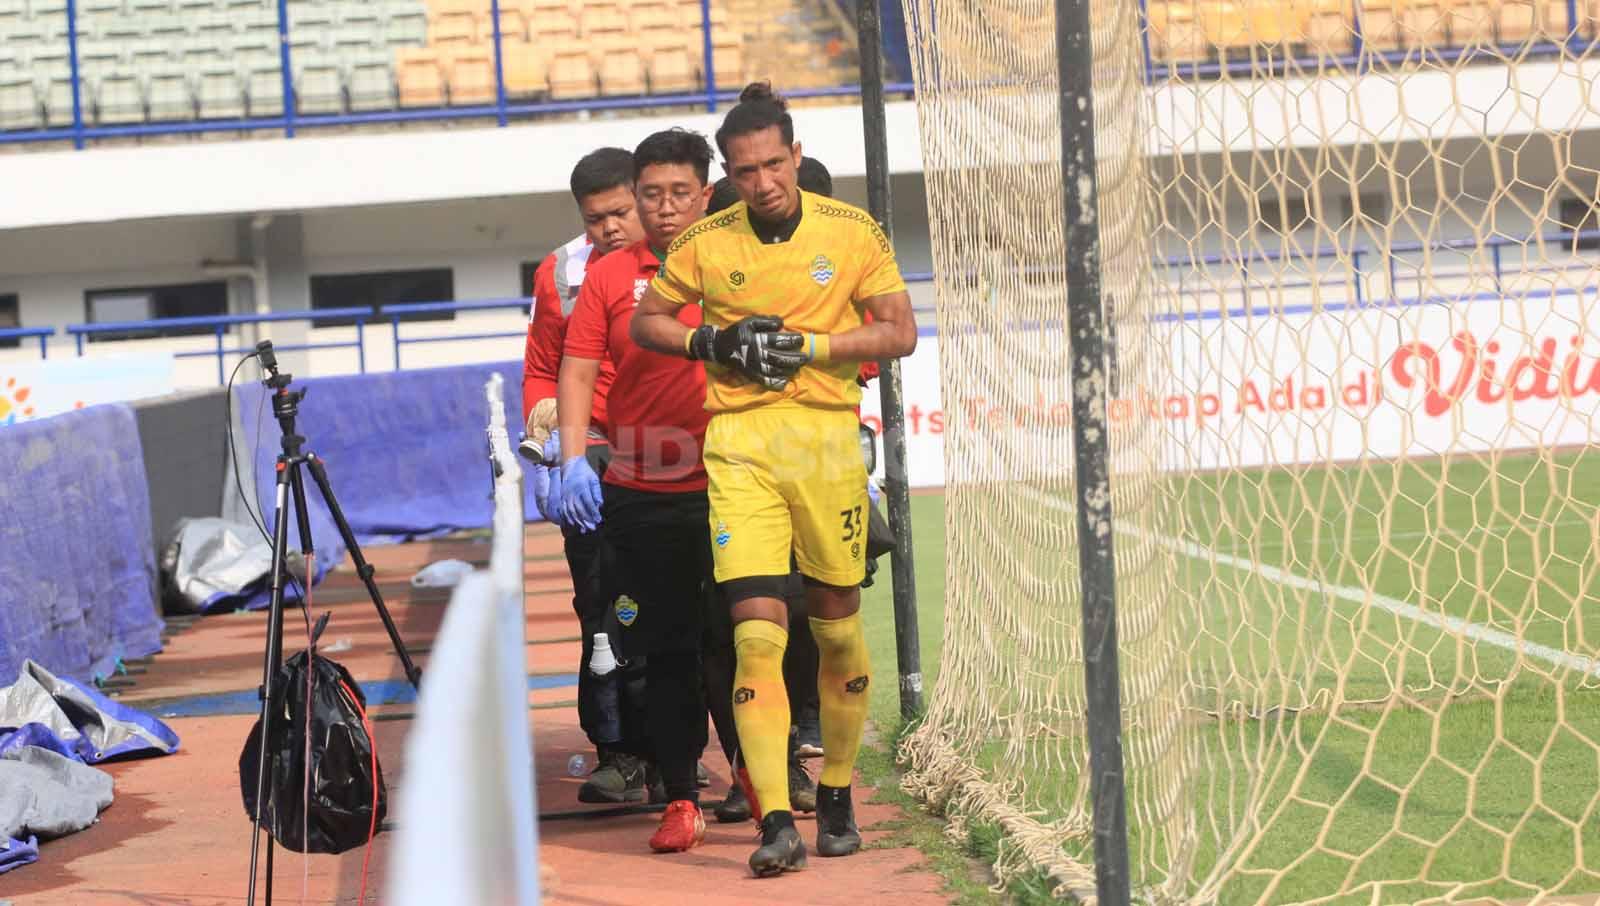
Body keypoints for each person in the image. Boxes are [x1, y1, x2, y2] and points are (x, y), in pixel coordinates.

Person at [631, 82, 919, 877]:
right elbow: (646, 322)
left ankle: (835, 792)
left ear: (795, 156)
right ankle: (776, 819)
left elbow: (901, 331)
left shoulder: (853, 230)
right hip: (741, 450)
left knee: (834, 627)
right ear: (727, 173)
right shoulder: (704, 241)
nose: (763, 182)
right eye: (745, 170)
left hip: (827, 445)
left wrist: (811, 347)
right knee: (756, 633)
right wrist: (714, 342)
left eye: (773, 164)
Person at [554, 127, 728, 853]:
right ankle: (681, 796)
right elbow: (577, 367)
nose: (662, 207)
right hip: (642, 488)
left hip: (732, 480)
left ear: (705, 194)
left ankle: (765, 779)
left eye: (677, 193)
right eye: (649, 194)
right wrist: (570, 459)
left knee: (744, 639)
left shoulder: (736, 259)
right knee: (666, 649)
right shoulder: (607, 276)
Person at [519, 147, 656, 804]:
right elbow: (543, 370)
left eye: (621, 212)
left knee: (682, 608)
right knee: (603, 607)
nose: (610, 228)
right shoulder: (561, 275)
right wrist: (555, 455)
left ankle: (700, 758)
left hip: (672, 450)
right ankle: (617, 751)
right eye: (596, 217)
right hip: (594, 456)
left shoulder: (686, 258)